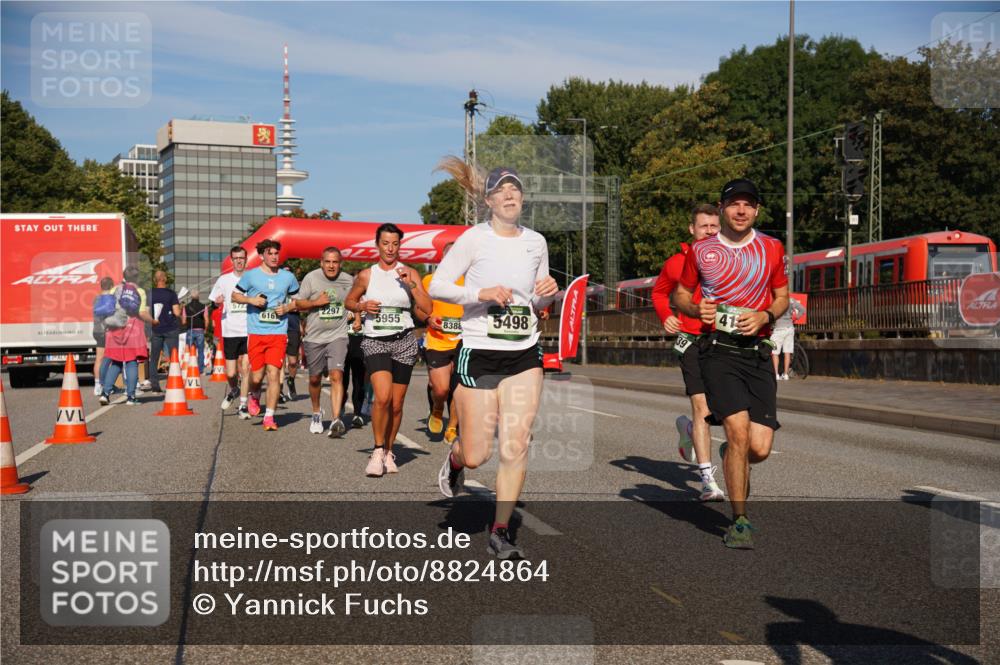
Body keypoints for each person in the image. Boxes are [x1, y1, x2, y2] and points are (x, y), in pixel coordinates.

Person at [430, 162, 558, 560]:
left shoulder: (536, 242)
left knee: (516, 444)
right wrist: (480, 293)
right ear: (488, 201)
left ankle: (501, 532)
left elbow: (536, 300)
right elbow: (437, 285)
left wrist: (549, 292)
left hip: (524, 353)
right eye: (501, 190)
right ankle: (455, 461)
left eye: (514, 188)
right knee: (476, 454)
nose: (509, 194)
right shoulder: (474, 239)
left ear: (522, 197)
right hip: (479, 353)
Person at [675, 178, 789, 549]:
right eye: (734, 204)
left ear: (757, 210)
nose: (741, 210)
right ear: (723, 208)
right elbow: (681, 294)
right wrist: (696, 308)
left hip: (757, 353)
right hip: (718, 351)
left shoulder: (771, 248)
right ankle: (740, 521)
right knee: (737, 431)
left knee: (760, 448)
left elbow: (782, 296)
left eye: (748, 205)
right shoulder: (701, 250)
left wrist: (765, 315)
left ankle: (730, 457)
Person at [345, 224, 432, 477]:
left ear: (399, 246)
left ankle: (389, 451)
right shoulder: (366, 275)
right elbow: (349, 301)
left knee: (396, 404)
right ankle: (377, 450)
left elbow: (428, 308)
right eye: (385, 243)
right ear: (377, 245)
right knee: (382, 397)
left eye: (395, 244)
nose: (390, 248)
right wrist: (362, 306)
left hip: (404, 340)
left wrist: (411, 285)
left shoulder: (410, 273)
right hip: (376, 340)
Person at [651, 203, 724, 502]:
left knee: (728, 408)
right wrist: (666, 315)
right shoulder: (675, 263)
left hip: (724, 339)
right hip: (691, 339)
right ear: (692, 229)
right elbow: (659, 292)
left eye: (714, 226)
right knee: (701, 405)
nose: (709, 231)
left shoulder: (731, 259)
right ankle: (707, 480)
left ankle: (689, 429)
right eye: (704, 226)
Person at [232, 239, 300, 431]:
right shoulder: (251, 276)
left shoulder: (288, 277)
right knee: (256, 376)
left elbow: (298, 301)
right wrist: (251, 300)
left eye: (276, 253)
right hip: (256, 332)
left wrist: (287, 307)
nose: (274, 257)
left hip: (278, 333)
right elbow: (234, 296)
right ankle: (254, 395)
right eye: (270, 253)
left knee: (274, 374)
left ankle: (269, 417)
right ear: (262, 255)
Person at [295, 247, 355, 437]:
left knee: (337, 375)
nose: (331, 266)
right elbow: (298, 303)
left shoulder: (348, 280)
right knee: (315, 379)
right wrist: (315, 302)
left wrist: (356, 315)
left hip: (338, 335)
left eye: (335, 262)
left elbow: (355, 301)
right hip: (314, 337)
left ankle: (336, 419)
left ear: (340, 264)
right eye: (327, 262)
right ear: (321, 263)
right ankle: (316, 412)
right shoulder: (311, 278)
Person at [418, 242, 463, 444]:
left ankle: (452, 427)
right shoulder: (430, 280)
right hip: (437, 342)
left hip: (464, 341)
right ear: (443, 259)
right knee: (441, 389)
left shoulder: (472, 280)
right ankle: (437, 408)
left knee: (459, 388)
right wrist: (428, 319)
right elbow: (418, 309)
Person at [100, 265, 157, 405]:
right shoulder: (140, 291)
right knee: (131, 362)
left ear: (124, 276)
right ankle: (131, 397)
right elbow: (142, 313)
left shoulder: (114, 289)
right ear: (137, 277)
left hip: (115, 329)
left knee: (116, 362)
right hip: (132, 330)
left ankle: (105, 394)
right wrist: (153, 321)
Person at [209, 245, 251, 418]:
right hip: (230, 331)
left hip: (248, 329)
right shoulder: (224, 280)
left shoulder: (252, 278)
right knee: (231, 372)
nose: (239, 261)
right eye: (236, 258)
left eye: (242, 258)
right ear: (232, 260)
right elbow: (213, 300)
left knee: (246, 369)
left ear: (246, 259)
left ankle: (243, 406)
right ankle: (234, 389)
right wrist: (218, 301)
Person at [147, 271, 182, 393]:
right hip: (171, 328)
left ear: (155, 280)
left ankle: (155, 385)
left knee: (154, 358)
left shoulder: (150, 294)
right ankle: (171, 383)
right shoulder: (171, 293)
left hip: (156, 328)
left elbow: (146, 312)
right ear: (165, 279)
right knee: (173, 357)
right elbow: (176, 312)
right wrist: (180, 307)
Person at [341, 309, 367, 428]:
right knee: (342, 379)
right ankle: (341, 404)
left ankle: (357, 413)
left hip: (361, 339)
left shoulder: (367, 299)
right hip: (342, 339)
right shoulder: (342, 298)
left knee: (359, 380)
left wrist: (361, 317)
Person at [91, 276, 116, 396]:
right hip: (108, 332)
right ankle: (106, 384)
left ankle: (97, 385)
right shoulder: (112, 299)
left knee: (99, 359)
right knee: (110, 359)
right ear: (111, 286)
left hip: (97, 331)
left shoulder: (96, 299)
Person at [771, 298, 805, 380]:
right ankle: (786, 374)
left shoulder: (775, 300)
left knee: (775, 352)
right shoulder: (791, 300)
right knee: (787, 352)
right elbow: (803, 310)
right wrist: (796, 317)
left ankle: (776, 375)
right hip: (789, 328)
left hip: (779, 328)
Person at [184, 290, 209, 375]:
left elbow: (183, 321)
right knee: (201, 351)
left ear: (191, 296)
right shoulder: (204, 306)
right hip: (200, 330)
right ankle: (200, 370)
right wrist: (205, 329)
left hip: (190, 330)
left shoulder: (186, 307)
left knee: (189, 350)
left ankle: (189, 368)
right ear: (198, 296)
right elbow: (206, 320)